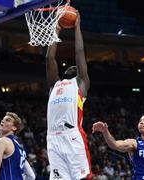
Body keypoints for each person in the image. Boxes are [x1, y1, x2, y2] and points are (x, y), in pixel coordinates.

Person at [46, 12, 92, 180]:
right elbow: (49, 57)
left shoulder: (80, 84)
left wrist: (77, 27)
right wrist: (56, 29)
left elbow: (79, 53)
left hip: (72, 136)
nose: (73, 67)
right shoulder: (54, 85)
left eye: (76, 68)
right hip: (52, 138)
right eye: (71, 67)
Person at [0, 112, 35, 180]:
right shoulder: (20, 148)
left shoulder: (3, 141)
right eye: (3, 119)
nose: (2, 121)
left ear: (14, 127)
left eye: (7, 120)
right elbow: (32, 176)